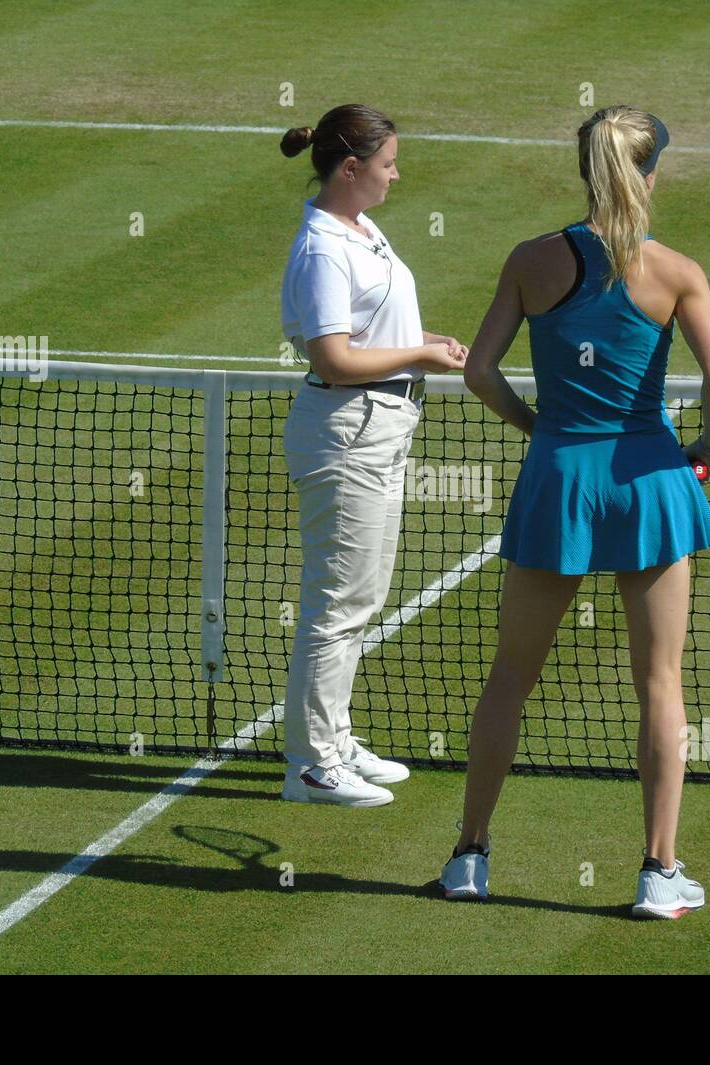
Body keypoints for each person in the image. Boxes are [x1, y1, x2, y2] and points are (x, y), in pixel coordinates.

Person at [440, 105, 710, 916]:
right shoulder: (676, 272)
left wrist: (540, 428)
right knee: (660, 681)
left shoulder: (531, 261)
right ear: (650, 174)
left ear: (585, 171)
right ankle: (657, 872)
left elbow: (480, 371)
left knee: (510, 676)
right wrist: (704, 448)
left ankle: (469, 855)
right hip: (648, 481)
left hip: (559, 479)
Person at [278, 104, 469, 807]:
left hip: (382, 423)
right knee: (337, 602)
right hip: (348, 429)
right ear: (351, 169)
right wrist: (419, 352)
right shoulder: (325, 247)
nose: (397, 173)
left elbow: (369, 329)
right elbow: (332, 358)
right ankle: (310, 765)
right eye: (387, 164)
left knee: (362, 595)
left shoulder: (360, 228)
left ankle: (336, 738)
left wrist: (423, 342)